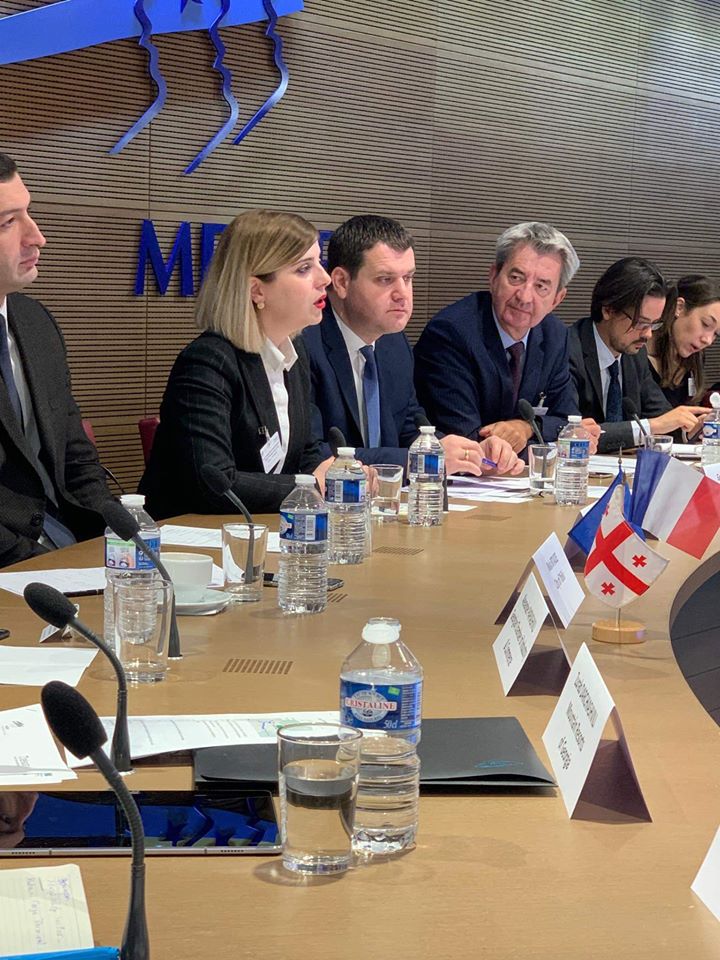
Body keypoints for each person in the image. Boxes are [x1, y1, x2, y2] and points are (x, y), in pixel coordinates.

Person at [139, 209, 334, 517]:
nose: (325, 279)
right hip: (190, 536)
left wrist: (332, 472)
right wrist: (311, 487)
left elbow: (304, 451)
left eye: (319, 262)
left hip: (264, 530)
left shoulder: (293, 352)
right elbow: (213, 484)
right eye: (304, 268)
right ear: (257, 290)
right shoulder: (207, 363)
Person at [303, 214, 522, 476]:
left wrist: (468, 454)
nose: (402, 294)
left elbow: (409, 428)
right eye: (385, 279)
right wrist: (423, 459)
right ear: (341, 282)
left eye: (407, 278)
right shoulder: (304, 344)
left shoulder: (393, 343)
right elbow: (314, 455)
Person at [0, 153, 111, 567]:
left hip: (64, 542)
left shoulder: (35, 322)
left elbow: (75, 456)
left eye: (28, 213)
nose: (37, 237)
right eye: (8, 222)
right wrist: (47, 564)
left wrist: (119, 536)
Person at [413, 221, 596, 454]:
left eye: (541, 286)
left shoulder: (555, 335)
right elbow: (469, 439)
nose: (524, 297)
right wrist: (553, 442)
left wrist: (526, 427)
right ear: (493, 276)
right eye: (516, 278)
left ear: (557, 299)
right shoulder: (451, 333)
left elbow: (568, 421)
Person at [569, 258, 711, 452]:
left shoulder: (634, 355)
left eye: (654, 324)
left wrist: (692, 428)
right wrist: (652, 426)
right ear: (608, 309)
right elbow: (570, 432)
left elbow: (663, 416)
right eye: (641, 323)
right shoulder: (569, 349)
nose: (648, 334)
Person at [647, 275, 720, 406]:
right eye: (706, 324)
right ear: (679, 307)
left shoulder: (695, 359)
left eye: (716, 334)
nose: (708, 340)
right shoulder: (637, 354)